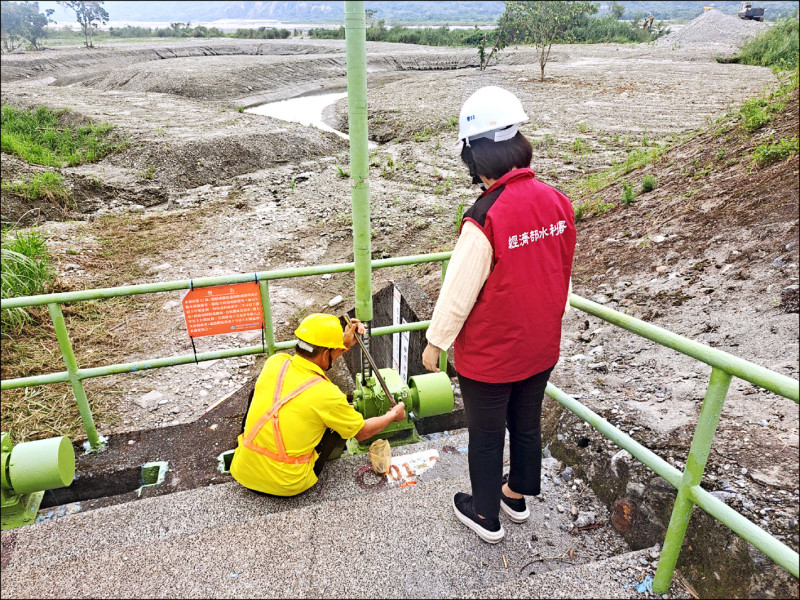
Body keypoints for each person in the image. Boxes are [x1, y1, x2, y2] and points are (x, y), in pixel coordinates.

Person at [421, 86, 576, 543]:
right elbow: (561, 272)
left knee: (487, 435)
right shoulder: (556, 200)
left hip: (491, 356)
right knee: (525, 423)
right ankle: (516, 495)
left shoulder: (485, 216)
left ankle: (485, 514)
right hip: (540, 345)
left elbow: (458, 291)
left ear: (477, 159)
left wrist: (437, 343)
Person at [231, 312, 406, 496]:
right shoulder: (327, 395)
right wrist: (393, 415)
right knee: (336, 423)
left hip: (242, 471)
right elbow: (363, 432)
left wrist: (342, 345)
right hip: (288, 484)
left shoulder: (275, 362)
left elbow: (314, 360)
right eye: (337, 351)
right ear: (325, 353)